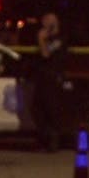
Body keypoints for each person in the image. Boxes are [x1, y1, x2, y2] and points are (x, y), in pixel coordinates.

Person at [31, 11, 67, 152]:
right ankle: (44, 140)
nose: (44, 23)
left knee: (50, 109)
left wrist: (41, 39)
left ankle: (52, 143)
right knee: (38, 109)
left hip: (52, 78)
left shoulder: (59, 39)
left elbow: (46, 54)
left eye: (47, 20)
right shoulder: (49, 38)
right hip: (42, 78)